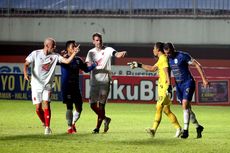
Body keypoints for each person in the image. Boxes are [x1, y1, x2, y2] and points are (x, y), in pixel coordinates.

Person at [23, 37, 80, 135]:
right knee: (38, 108)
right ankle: (44, 123)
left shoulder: (55, 56)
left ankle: (47, 128)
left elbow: (67, 61)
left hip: (48, 85)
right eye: (53, 45)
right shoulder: (35, 53)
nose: (55, 47)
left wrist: (74, 53)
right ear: (47, 46)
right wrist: (25, 74)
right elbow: (26, 64)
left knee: (46, 103)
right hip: (36, 84)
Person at [128, 42, 182, 138]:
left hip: (165, 87)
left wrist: (169, 87)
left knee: (158, 106)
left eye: (154, 48)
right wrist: (138, 64)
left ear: (158, 50)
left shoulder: (163, 59)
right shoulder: (161, 59)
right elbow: (152, 69)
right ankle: (179, 128)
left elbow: (166, 73)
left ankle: (153, 129)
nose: (153, 50)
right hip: (162, 87)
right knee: (166, 110)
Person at [163, 42, 209, 139]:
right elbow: (167, 72)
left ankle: (185, 131)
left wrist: (204, 79)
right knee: (187, 108)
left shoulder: (183, 56)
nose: (168, 55)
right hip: (178, 85)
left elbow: (197, 65)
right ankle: (198, 126)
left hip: (188, 82)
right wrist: (169, 85)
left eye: (169, 53)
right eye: (166, 53)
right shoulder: (167, 59)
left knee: (184, 104)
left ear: (173, 49)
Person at [85, 32, 127, 134]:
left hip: (105, 81)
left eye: (100, 40)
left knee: (101, 106)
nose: (99, 42)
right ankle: (106, 119)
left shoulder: (108, 50)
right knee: (92, 105)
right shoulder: (91, 52)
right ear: (93, 41)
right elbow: (87, 65)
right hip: (94, 81)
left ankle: (97, 128)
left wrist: (120, 54)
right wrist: (89, 65)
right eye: (96, 40)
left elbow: (116, 54)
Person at [60, 40, 97, 134]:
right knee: (69, 107)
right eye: (73, 46)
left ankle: (72, 123)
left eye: (75, 46)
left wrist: (94, 65)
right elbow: (63, 62)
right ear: (68, 48)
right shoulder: (63, 58)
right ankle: (69, 128)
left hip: (76, 87)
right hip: (67, 86)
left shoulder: (78, 60)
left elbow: (86, 69)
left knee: (79, 108)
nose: (75, 48)